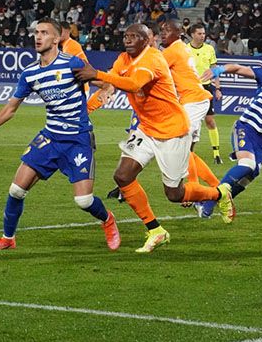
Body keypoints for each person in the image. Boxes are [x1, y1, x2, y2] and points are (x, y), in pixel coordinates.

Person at [73, 24, 234, 253]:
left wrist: (96, 74)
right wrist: (86, 110)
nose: (128, 40)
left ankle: (219, 193)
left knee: (174, 194)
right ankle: (155, 230)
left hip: (171, 131)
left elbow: (134, 84)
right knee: (123, 175)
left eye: (134, 36)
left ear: (146, 40)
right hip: (147, 128)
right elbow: (111, 84)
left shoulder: (154, 58)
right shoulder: (123, 59)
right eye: (126, 36)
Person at [0, 18, 120, 252]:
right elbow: (10, 109)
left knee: (84, 201)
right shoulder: (30, 73)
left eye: (44, 33)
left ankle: (107, 220)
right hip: (50, 138)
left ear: (56, 39)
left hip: (77, 139)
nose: (38, 37)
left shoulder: (72, 63)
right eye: (36, 32)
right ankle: (8, 238)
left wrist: (107, 90)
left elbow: (105, 82)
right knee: (16, 190)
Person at [196, 44, 262, 218]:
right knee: (247, 165)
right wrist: (219, 69)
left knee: (249, 176)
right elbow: (237, 68)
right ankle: (208, 204)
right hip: (247, 126)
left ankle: (207, 202)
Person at [158, 20, 220, 193]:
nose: (162, 33)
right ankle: (217, 188)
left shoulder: (173, 51)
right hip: (193, 99)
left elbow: (152, 70)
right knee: (187, 149)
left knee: (181, 146)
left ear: (178, 33)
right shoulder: (183, 48)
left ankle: (196, 186)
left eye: (167, 30)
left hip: (194, 99)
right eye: (161, 30)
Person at [187, 24, 224, 164]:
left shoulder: (209, 49)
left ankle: (216, 154)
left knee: (209, 120)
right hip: (190, 89)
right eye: (199, 33)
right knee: (189, 123)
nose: (202, 36)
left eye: (203, 33)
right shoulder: (185, 50)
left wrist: (218, 88)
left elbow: (215, 69)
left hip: (206, 89)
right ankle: (188, 153)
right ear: (192, 34)